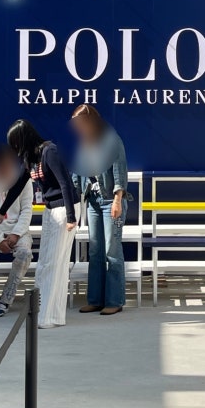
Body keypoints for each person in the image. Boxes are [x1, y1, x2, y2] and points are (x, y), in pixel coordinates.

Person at [2, 120, 78, 329]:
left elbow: (65, 182)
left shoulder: (49, 151)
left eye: (16, 143)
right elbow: (18, 186)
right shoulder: (30, 158)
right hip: (50, 209)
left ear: (24, 139)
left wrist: (71, 217)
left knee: (55, 263)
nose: (15, 149)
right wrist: (2, 211)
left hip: (64, 209)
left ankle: (46, 316)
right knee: (45, 263)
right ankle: (51, 315)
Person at [70, 104, 129, 316]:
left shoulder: (111, 139)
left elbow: (119, 170)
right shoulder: (84, 143)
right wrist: (73, 198)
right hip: (93, 202)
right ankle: (95, 300)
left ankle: (114, 301)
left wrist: (117, 200)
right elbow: (77, 172)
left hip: (111, 200)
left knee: (112, 251)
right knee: (95, 251)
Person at [0, 145, 33, 316]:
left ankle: (6, 299)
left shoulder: (23, 180)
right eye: (1, 164)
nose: (5, 168)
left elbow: (27, 210)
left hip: (18, 231)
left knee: (25, 254)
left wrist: (16, 234)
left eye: (8, 163)